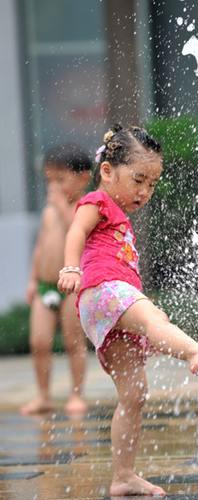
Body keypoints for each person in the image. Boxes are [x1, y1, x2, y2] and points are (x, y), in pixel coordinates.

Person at [58, 124, 198, 496]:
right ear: (108, 171)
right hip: (103, 290)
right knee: (153, 319)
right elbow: (75, 233)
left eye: (152, 184)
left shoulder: (116, 210)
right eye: (138, 180)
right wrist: (70, 267)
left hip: (103, 306)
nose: (145, 192)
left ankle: (123, 475)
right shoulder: (96, 203)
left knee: (134, 394)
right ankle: (195, 352)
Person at [21, 144, 92, 416]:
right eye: (49, 180)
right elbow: (41, 246)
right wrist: (32, 279)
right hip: (45, 285)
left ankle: (77, 395)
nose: (52, 187)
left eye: (60, 180)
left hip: (72, 287)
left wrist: (63, 207)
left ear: (83, 177)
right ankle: (43, 395)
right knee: (39, 343)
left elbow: (77, 234)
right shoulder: (49, 211)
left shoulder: (84, 209)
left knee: (74, 343)